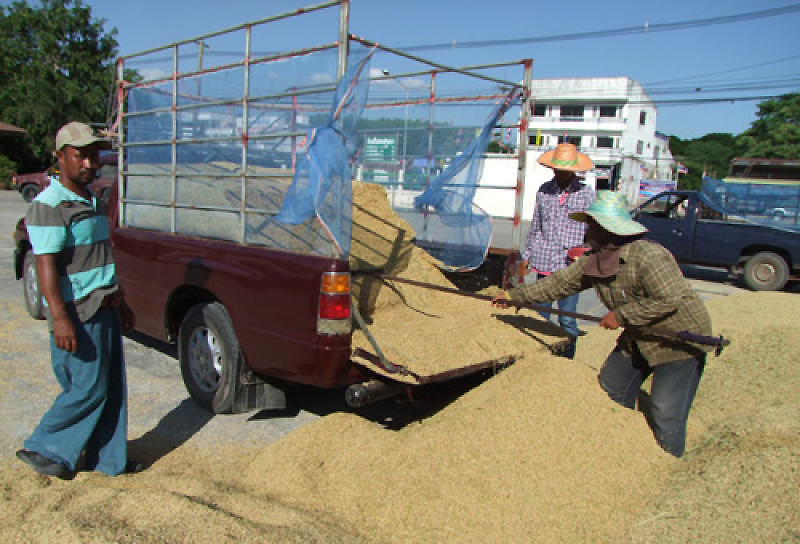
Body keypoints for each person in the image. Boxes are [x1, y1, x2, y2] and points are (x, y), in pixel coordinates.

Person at [494, 190, 713, 457]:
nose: (588, 230)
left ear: (610, 229)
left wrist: (621, 316)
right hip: (638, 337)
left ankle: (667, 461)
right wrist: (515, 297)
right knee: (611, 388)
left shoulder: (648, 256)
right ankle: (619, 450)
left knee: (665, 410)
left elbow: (669, 299)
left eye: (594, 225)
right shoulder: (594, 261)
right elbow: (558, 284)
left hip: (678, 340)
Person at [16, 122, 138, 478]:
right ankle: (44, 448)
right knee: (88, 387)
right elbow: (46, 266)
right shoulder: (50, 205)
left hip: (105, 306)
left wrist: (121, 302)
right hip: (78, 312)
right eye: (79, 154)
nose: (89, 162)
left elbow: (99, 260)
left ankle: (108, 462)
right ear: (61, 157)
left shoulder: (90, 200)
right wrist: (60, 317)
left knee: (111, 388)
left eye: (93, 153)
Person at [521, 143, 595, 359]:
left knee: (567, 318)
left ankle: (566, 362)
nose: (561, 172)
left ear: (573, 169)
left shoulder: (585, 195)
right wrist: (527, 255)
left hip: (570, 266)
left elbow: (593, 229)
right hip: (544, 261)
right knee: (540, 315)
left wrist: (588, 253)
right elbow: (536, 225)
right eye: (557, 168)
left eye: (565, 169)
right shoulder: (544, 191)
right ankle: (539, 358)